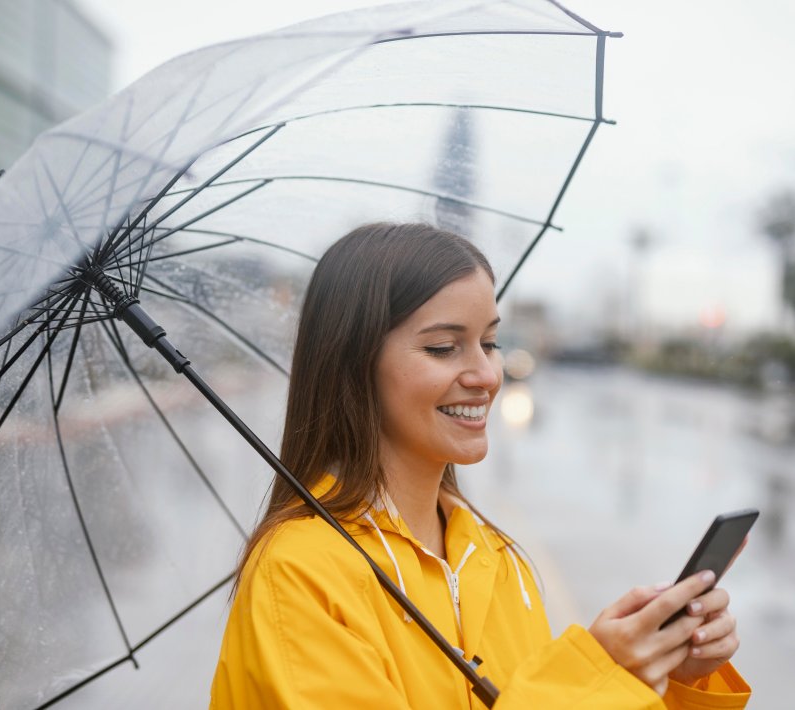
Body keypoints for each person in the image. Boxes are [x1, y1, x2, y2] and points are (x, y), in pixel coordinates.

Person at [210, 223, 751, 708]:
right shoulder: (300, 576)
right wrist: (596, 682)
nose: (487, 374)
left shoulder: (495, 557)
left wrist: (668, 681)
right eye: (445, 348)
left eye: (489, 342)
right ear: (355, 364)